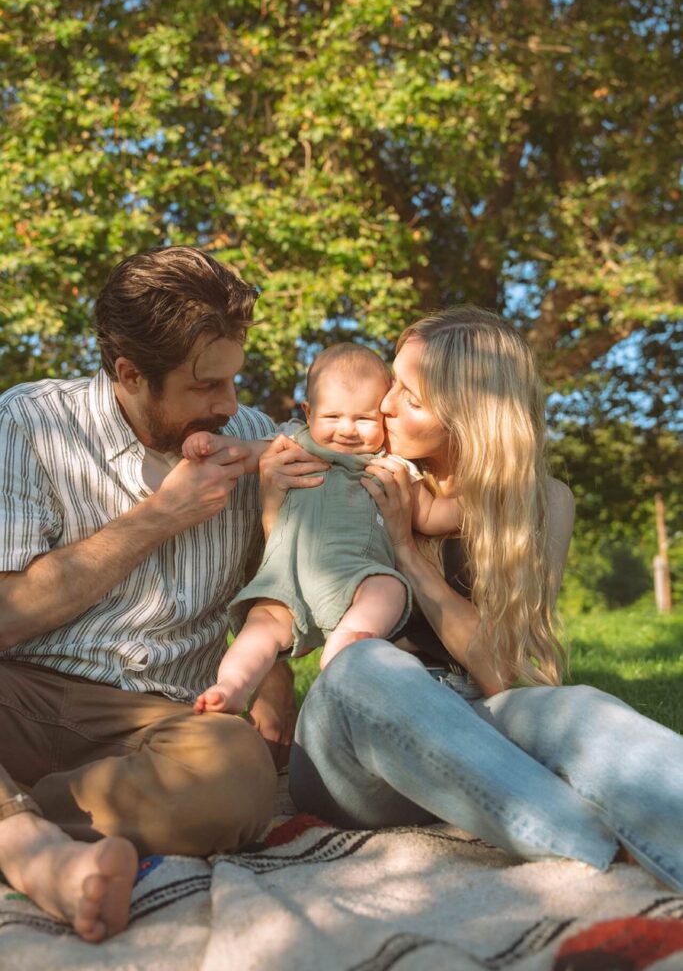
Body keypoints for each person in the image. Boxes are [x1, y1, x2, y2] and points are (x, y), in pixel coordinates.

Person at [288, 306, 683, 893]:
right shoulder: (355, 470)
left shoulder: (541, 503)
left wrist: (408, 552)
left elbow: (504, 671)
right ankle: (595, 847)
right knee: (365, 663)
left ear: (467, 420)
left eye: (410, 397)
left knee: (579, 708)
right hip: (354, 750)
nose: (385, 404)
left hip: (474, 724)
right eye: (393, 381)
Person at [0, 246, 325, 942]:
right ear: (129, 373)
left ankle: (21, 822)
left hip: (160, 723)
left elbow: (272, 595)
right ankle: (31, 852)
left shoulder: (253, 442)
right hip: (19, 695)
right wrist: (160, 516)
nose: (229, 406)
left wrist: (274, 671)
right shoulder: (30, 423)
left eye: (234, 381)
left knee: (237, 778)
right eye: (205, 388)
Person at [185, 343, 462, 716]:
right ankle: (231, 686)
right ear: (308, 412)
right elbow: (247, 453)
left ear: (383, 416)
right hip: (287, 577)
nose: (347, 430)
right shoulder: (293, 442)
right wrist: (214, 445)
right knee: (261, 628)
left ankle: (344, 649)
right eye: (332, 416)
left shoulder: (391, 464)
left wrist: (476, 506)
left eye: (363, 419)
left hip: (359, 576)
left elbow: (430, 516)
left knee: (390, 588)